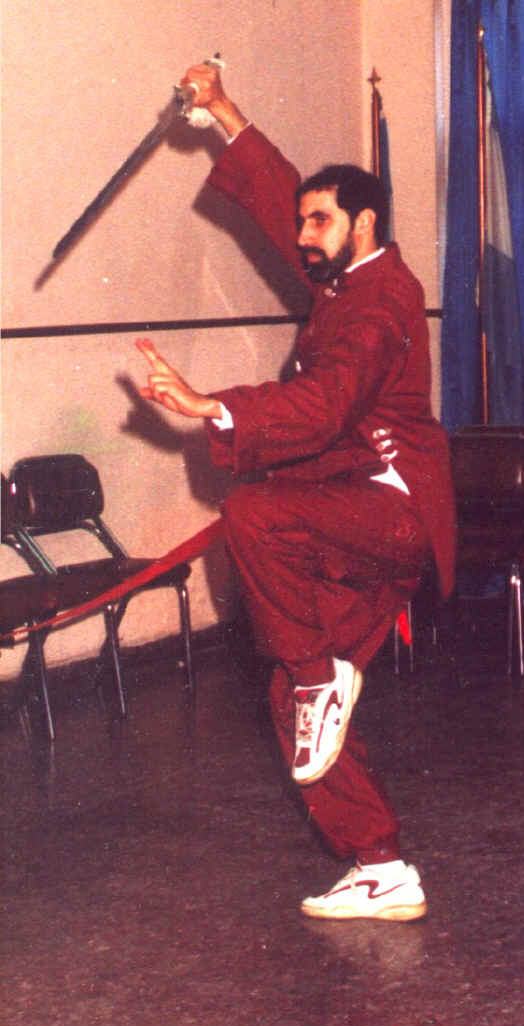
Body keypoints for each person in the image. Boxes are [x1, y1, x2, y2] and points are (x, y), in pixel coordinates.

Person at [135, 62, 454, 922]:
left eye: (321, 222)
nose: (304, 235)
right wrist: (221, 110)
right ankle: (381, 864)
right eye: (305, 221)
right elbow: (283, 199)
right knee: (291, 699)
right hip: (350, 520)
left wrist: (212, 405)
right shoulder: (346, 276)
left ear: (365, 223)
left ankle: (320, 677)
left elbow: (327, 403)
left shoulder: (383, 303)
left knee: (254, 512)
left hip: (391, 512)